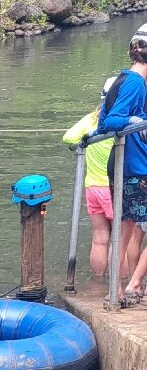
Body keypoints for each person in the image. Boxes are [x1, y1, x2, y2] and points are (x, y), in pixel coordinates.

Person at [97, 23, 147, 305]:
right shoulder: (135, 83)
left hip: (125, 164)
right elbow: (114, 121)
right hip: (134, 168)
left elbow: (102, 122)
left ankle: (117, 287)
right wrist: (135, 121)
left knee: (125, 229)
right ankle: (123, 286)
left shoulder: (122, 79)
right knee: (125, 229)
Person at [63, 77, 121, 279]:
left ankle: (97, 282)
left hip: (92, 187)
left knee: (99, 238)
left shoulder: (92, 119)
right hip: (115, 187)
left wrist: (87, 137)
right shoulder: (121, 122)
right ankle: (118, 285)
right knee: (120, 238)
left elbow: (68, 137)